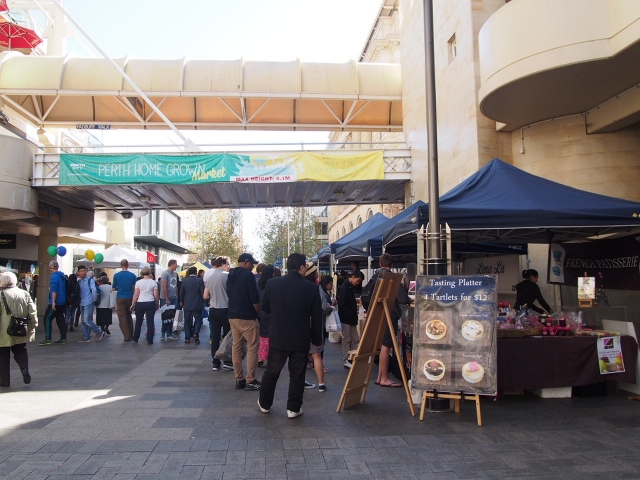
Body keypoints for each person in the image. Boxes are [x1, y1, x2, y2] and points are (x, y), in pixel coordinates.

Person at [258, 253, 323, 418]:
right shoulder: (311, 287)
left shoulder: (273, 283)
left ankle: (265, 403)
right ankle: (293, 408)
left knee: (272, 371)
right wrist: (316, 340)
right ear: (302, 267)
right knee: (297, 374)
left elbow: (264, 307)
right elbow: (316, 317)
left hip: (279, 334)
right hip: (300, 337)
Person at [367, 253, 411, 388]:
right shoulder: (392, 278)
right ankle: (384, 377)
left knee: (382, 346)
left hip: (377, 314)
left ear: (380, 264)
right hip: (389, 314)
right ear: (392, 265)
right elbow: (404, 299)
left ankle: (381, 376)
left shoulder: (375, 277)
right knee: (387, 346)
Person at [227, 253, 261, 391]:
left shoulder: (230, 275)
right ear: (246, 262)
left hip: (232, 315)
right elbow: (254, 297)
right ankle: (251, 380)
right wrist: (257, 312)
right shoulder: (248, 276)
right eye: (252, 263)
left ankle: (239, 379)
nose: (253, 266)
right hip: (246, 316)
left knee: (237, 347)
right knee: (253, 347)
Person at [0, 272, 37, 387]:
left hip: (4, 330)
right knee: (20, 350)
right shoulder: (24, 293)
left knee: (3, 355)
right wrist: (34, 324)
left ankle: (4, 380)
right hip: (21, 328)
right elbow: (32, 311)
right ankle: (24, 369)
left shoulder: (1, 294)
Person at [304, 263, 329, 391]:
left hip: (301, 325)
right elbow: (323, 307)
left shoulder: (300, 287)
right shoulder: (316, 288)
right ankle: (321, 384)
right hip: (315, 324)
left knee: (301, 355)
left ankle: (301, 381)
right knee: (316, 355)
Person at [204, 256, 232, 370]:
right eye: (228, 264)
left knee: (215, 337)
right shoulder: (227, 276)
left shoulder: (210, 277)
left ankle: (215, 362)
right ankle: (227, 361)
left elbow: (205, 295)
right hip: (225, 309)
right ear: (223, 263)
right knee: (227, 337)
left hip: (213, 309)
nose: (229, 267)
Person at [337, 270, 364, 368]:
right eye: (358, 280)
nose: (358, 283)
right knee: (347, 338)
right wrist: (350, 314)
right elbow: (342, 305)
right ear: (353, 276)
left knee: (355, 339)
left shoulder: (349, 287)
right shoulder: (345, 288)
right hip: (346, 318)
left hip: (351, 318)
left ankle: (351, 357)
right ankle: (347, 359)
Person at [40, 260, 67, 346]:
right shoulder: (62, 276)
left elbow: (54, 290)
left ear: (50, 267)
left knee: (47, 318)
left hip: (56, 301)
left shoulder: (54, 277)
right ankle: (63, 338)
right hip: (62, 301)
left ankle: (48, 338)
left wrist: (53, 302)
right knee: (60, 319)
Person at [131, 266, 159, 344]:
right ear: (149, 273)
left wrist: (132, 303)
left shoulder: (138, 282)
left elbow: (136, 294)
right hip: (150, 302)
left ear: (142, 273)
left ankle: (136, 338)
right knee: (150, 321)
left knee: (138, 321)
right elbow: (156, 294)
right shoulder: (153, 282)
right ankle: (150, 339)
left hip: (140, 302)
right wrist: (157, 302)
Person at [76, 265, 104, 343]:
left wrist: (93, 299)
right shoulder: (79, 281)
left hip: (89, 302)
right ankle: (86, 336)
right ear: (78, 272)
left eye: (84, 271)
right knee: (83, 321)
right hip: (82, 302)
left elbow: (94, 290)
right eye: (81, 271)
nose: (83, 272)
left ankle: (99, 331)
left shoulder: (90, 280)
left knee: (87, 320)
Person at [112, 259, 137, 341]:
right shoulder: (133, 275)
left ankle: (126, 335)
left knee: (122, 317)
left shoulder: (116, 275)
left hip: (120, 297)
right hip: (130, 297)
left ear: (120, 265)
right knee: (129, 315)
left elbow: (114, 288)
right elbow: (135, 287)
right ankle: (131, 333)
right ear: (128, 265)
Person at [257, 265, 275, 367]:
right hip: (271, 312)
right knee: (271, 335)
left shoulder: (260, 284)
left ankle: (260, 357)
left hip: (261, 312)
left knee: (262, 335)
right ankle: (270, 356)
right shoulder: (272, 284)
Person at [180, 266, 204, 344]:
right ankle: (195, 333)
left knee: (187, 321)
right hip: (197, 303)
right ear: (196, 272)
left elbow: (181, 293)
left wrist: (182, 301)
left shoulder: (184, 281)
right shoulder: (199, 280)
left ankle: (187, 338)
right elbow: (202, 292)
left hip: (187, 304)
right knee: (198, 320)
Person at [160, 259, 179, 340]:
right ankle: (163, 333)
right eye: (176, 264)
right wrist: (167, 298)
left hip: (174, 297)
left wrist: (177, 296)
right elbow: (164, 286)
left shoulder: (175, 274)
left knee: (172, 317)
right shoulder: (165, 273)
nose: (177, 266)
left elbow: (176, 285)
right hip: (166, 298)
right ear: (172, 264)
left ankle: (169, 333)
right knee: (166, 316)